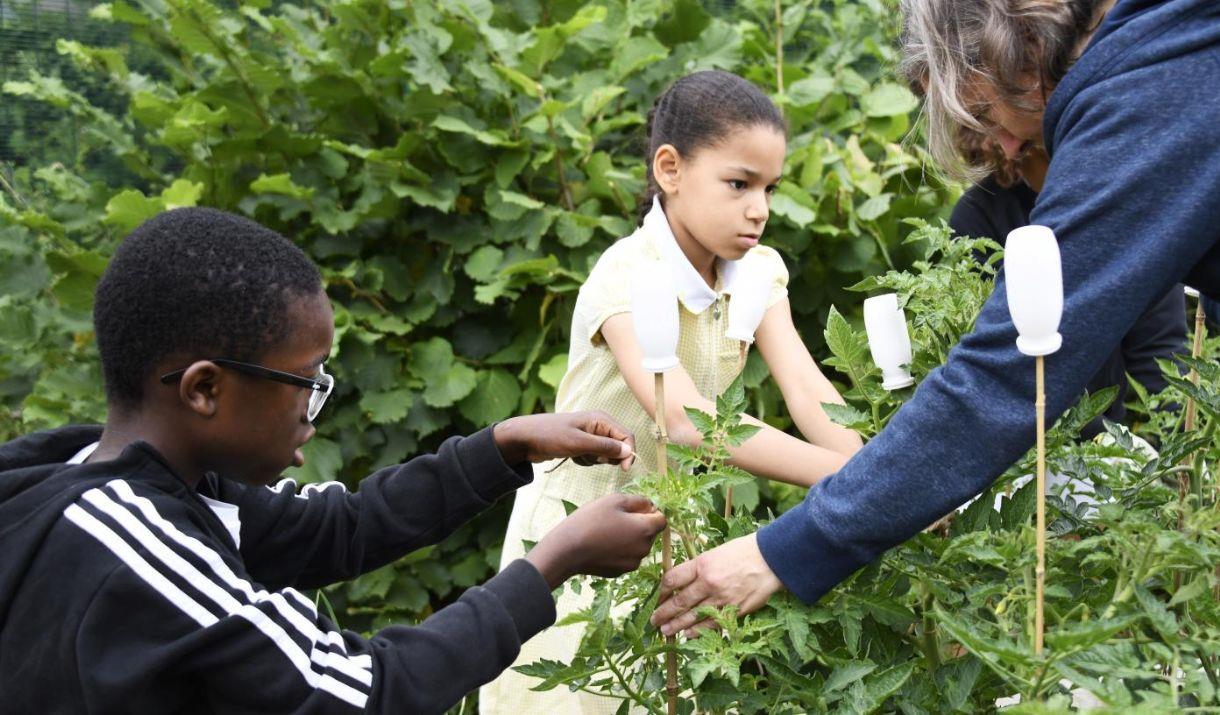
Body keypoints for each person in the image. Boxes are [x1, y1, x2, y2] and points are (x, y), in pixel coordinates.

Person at [651, 0, 1220, 636]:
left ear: (1017, 47)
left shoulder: (1142, 87)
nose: (1001, 143)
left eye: (983, 112)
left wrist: (790, 544)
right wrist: (882, 483)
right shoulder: (1171, 50)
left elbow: (1003, 376)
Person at [0, 207, 669, 714]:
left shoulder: (128, 477)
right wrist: (551, 563)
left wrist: (503, 446)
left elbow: (339, 526)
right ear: (205, 388)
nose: (313, 405)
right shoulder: (138, 552)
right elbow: (367, 689)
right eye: (306, 380)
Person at [481, 70, 862, 713]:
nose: (759, 208)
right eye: (739, 184)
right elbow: (685, 420)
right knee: (585, 693)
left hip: (677, 526)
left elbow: (804, 387)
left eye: (770, 187)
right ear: (670, 168)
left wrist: (872, 466)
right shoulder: (627, 275)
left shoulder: (760, 272)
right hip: (580, 534)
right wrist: (856, 484)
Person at [949, 139, 1186, 438]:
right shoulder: (980, 217)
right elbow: (1006, 368)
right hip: (1028, 447)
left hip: (1107, 443)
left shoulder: (1124, 193)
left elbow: (1159, 352)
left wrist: (1166, 461)